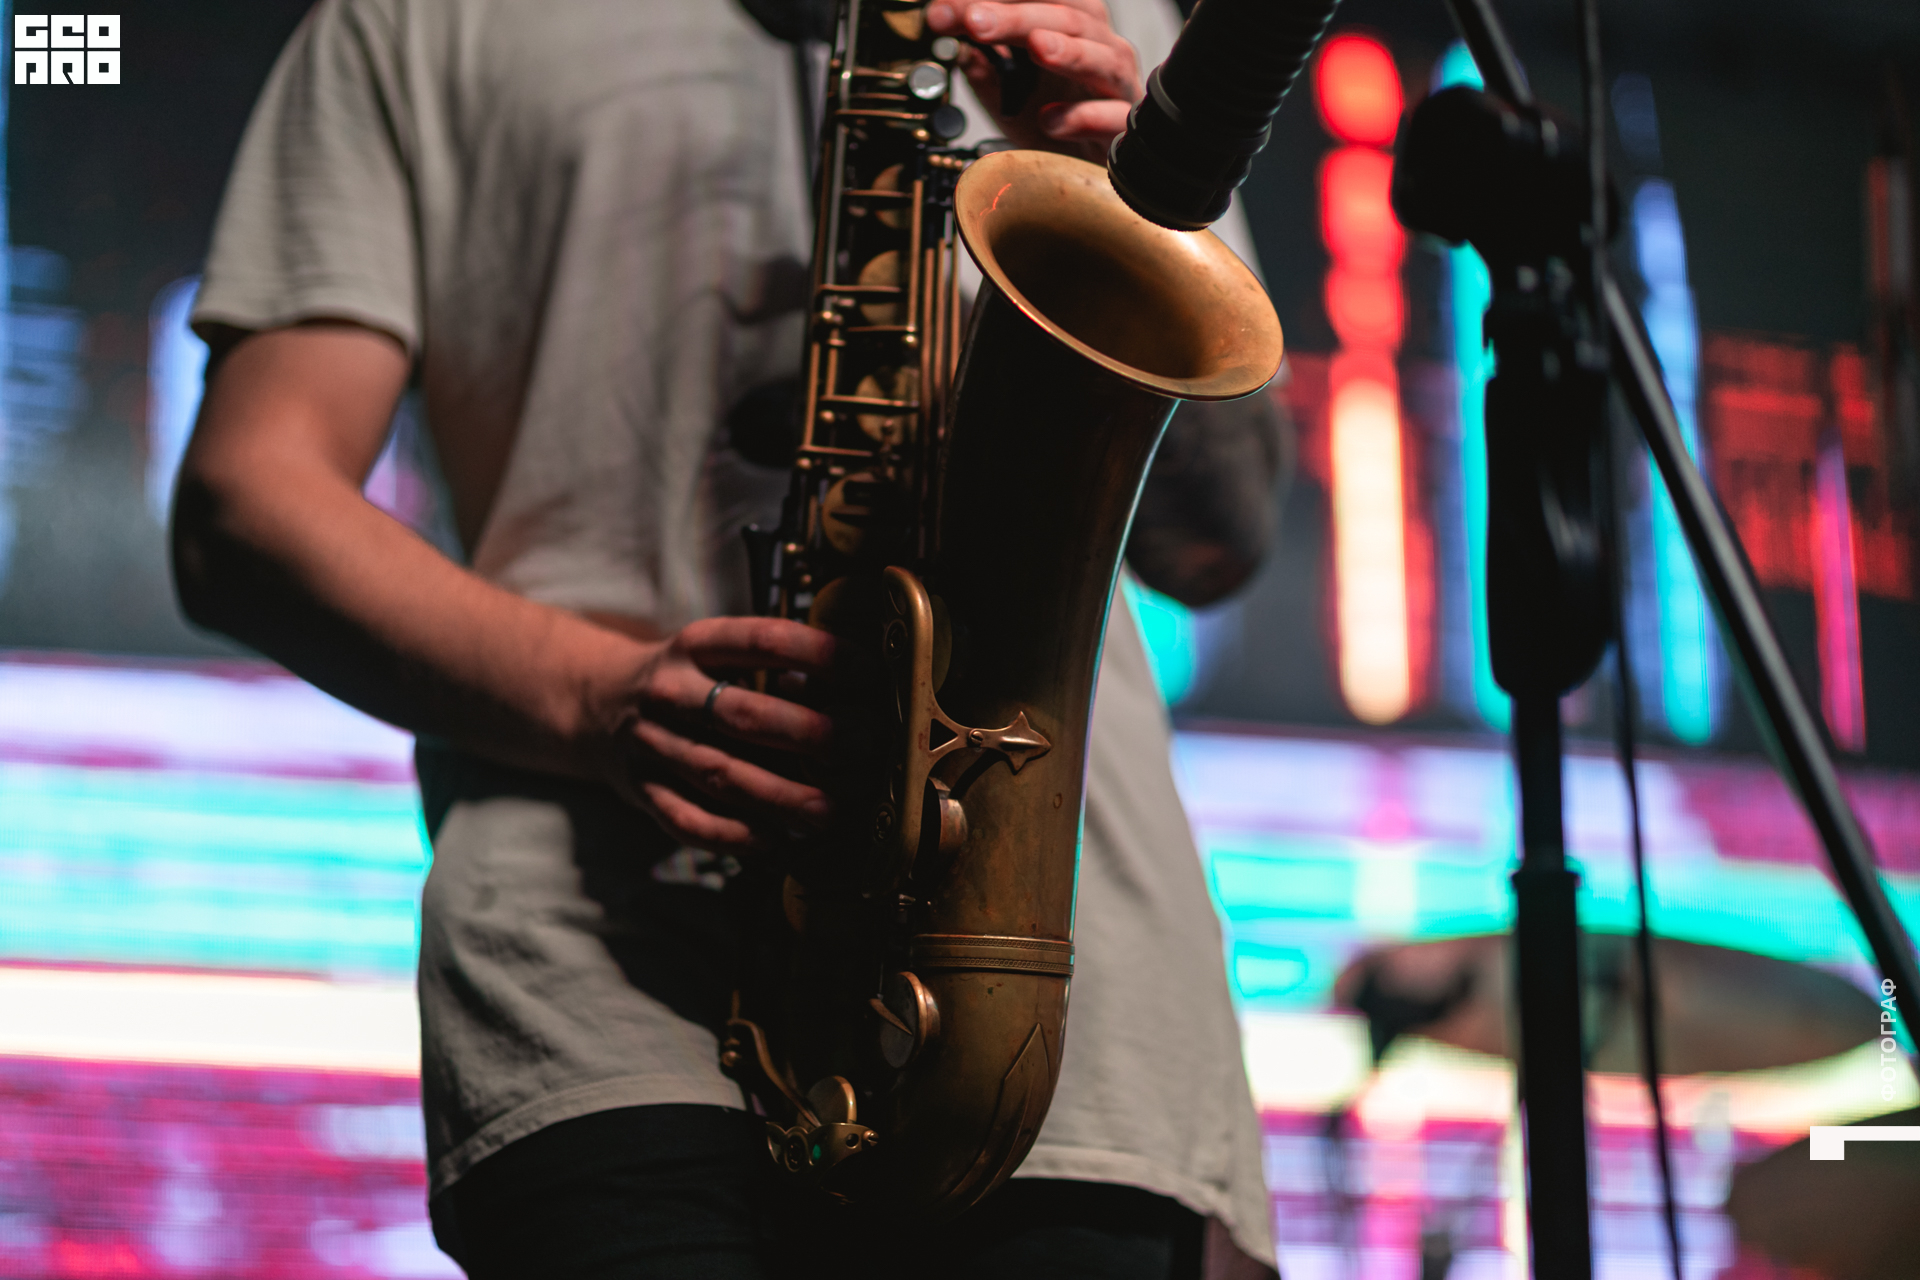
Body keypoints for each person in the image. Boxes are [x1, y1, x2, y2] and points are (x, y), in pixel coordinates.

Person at [172, 0, 1289, 1274]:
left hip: (1057, 1014)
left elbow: (1215, 541)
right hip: (601, 988)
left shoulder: (1106, 6)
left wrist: (1129, 203)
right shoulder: (410, 18)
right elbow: (243, 506)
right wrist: (596, 697)